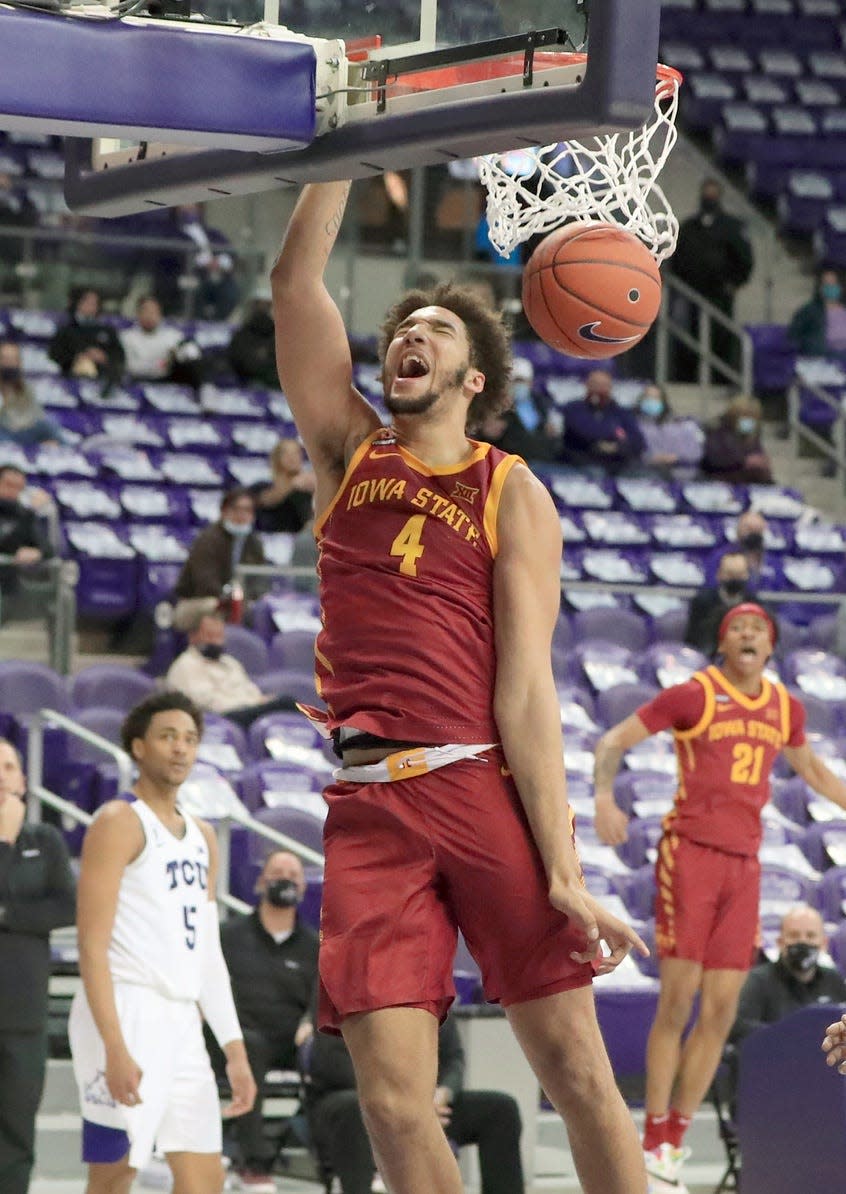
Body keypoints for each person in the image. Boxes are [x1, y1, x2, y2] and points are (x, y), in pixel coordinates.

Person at [270, 179, 649, 1194]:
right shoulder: (348, 453)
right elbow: (295, 281)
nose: (410, 336)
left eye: (433, 328)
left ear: (472, 375)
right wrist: (342, 156)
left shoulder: (510, 490)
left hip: (479, 786)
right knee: (392, 1101)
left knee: (572, 1064)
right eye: (401, 327)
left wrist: (563, 868)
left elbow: (526, 692)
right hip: (367, 803)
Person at [593, 603, 846, 1192]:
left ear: (772, 644)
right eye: (738, 626)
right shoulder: (695, 694)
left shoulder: (786, 706)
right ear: (723, 642)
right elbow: (612, 740)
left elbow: (810, 768)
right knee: (678, 1001)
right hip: (691, 856)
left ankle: (675, 1141)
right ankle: (652, 1134)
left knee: (723, 1010)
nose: (750, 632)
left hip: (746, 865)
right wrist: (605, 796)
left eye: (759, 627)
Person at [69, 690, 257, 1194]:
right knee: (114, 1177)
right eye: (168, 737)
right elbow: (91, 945)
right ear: (138, 747)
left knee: (204, 1182)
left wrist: (233, 1049)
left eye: (190, 739)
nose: (180, 749)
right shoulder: (117, 822)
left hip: (182, 1022)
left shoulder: (203, 837)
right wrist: (114, 1045)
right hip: (126, 1010)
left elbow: (209, 955)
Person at [306, 1010, 524, 1194]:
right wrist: (405, 1100)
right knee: (356, 1108)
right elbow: (331, 1064)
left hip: (429, 1102)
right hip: (357, 1097)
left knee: (500, 1110)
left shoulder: (427, 983)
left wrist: (442, 1094)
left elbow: (454, 1058)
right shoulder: (342, 982)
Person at [0, 739, 76, 1194]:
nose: (1, 776)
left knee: (16, 1133)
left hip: (23, 1014)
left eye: (9, 766)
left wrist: (7, 916)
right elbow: (41, 910)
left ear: (24, 781)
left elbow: (66, 908)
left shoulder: (45, 840)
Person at [219, 850, 318, 1190]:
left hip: (295, 1041)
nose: (285, 879)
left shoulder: (314, 945)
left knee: (337, 1051)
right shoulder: (229, 936)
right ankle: (253, 1162)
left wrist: (311, 1021)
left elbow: (326, 996)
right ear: (261, 882)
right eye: (277, 872)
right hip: (238, 1041)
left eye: (293, 874)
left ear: (303, 887)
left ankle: (353, 1162)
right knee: (251, 1047)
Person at [669, 178, 754, 382]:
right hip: (689, 296)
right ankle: (687, 379)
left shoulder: (732, 227)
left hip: (719, 296)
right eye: (706, 194)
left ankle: (718, 380)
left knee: (720, 339)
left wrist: (734, 284)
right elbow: (675, 259)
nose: (709, 198)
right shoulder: (688, 227)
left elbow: (745, 259)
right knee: (687, 340)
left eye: (713, 194)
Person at [730, 905, 846, 1048]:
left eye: (810, 936)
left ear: (823, 944)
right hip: (774, 1062)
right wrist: (789, 1037)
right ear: (780, 942)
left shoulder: (833, 980)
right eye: (794, 935)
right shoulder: (758, 981)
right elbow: (738, 1028)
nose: (802, 942)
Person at [165, 609, 294, 728]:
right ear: (193, 637)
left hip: (248, 712)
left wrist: (261, 701)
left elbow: (252, 692)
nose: (216, 642)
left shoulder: (231, 663)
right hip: (219, 720)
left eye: (219, 636)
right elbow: (208, 704)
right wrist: (249, 704)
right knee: (285, 704)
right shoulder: (186, 665)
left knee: (289, 705)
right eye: (210, 636)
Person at [172, 487, 267, 620]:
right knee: (218, 607)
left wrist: (253, 598)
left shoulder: (254, 542)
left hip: (240, 602)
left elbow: (260, 577)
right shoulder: (208, 540)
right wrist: (230, 599)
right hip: (196, 602)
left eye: (247, 510)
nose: (242, 515)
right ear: (224, 512)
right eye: (236, 509)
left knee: (262, 611)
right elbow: (205, 583)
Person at [559, 369, 645, 473]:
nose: (599, 389)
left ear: (610, 387)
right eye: (595, 384)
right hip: (583, 461)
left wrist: (616, 447)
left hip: (619, 461)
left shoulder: (621, 412)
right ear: (587, 385)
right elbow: (583, 433)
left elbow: (638, 441)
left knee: (643, 474)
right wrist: (607, 439)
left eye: (603, 385)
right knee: (596, 473)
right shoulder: (573, 408)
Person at [0, 463, 53, 607]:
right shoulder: (27, 515)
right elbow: (5, 541)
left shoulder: (23, 514)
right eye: (8, 485)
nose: (13, 491)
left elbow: (48, 549)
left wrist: (37, 552)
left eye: (18, 488)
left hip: (8, 586)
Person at [48, 287, 125, 386]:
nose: (90, 306)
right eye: (87, 302)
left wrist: (104, 357)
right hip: (71, 379)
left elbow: (119, 355)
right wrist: (78, 357)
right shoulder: (66, 329)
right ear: (78, 303)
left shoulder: (107, 330)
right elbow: (55, 354)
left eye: (94, 303)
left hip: (103, 380)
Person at [683, 550, 754, 656]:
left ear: (747, 575)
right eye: (730, 574)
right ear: (719, 574)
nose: (734, 579)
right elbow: (692, 640)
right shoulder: (702, 602)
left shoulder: (753, 604)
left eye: (739, 574)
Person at [0, 341, 64, 446]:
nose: (10, 364)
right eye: (5, 359)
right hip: (3, 434)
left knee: (51, 430)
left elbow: (35, 419)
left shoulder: (26, 391)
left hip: (23, 432)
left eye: (13, 360)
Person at [701, 395, 773, 485]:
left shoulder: (752, 435)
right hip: (721, 481)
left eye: (753, 418)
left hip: (749, 483)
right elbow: (713, 459)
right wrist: (744, 461)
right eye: (746, 416)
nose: (749, 421)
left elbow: (757, 454)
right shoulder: (717, 431)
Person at [634, 384, 703, 477]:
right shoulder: (634, 424)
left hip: (678, 472)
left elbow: (695, 453)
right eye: (648, 397)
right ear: (641, 400)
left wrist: (676, 458)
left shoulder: (678, 424)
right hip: (644, 472)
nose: (651, 401)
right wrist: (648, 458)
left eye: (656, 398)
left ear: (663, 401)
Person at [253, 438, 315, 534]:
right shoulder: (263, 485)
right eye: (286, 453)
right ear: (277, 458)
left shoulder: (306, 488)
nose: (292, 458)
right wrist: (292, 485)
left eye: (296, 453)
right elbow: (264, 500)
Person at [119, 295, 184, 382]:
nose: (149, 316)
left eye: (154, 312)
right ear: (138, 314)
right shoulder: (126, 337)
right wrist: (162, 364)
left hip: (168, 383)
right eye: (145, 311)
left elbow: (189, 355)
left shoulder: (174, 336)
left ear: (160, 315)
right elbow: (130, 366)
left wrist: (176, 357)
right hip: (137, 383)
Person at [787, 268, 846, 358]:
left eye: (834, 283)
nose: (831, 287)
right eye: (827, 284)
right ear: (820, 288)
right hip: (825, 357)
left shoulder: (843, 309)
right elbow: (793, 335)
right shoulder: (810, 311)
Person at [228, 292, 279, 390]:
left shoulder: (279, 337)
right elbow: (236, 360)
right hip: (246, 384)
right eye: (259, 304)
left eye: (266, 305)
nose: (262, 308)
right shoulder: (242, 335)